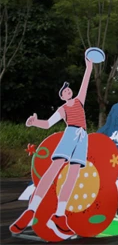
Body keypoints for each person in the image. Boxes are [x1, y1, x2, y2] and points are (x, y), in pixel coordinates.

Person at [10, 55, 93, 239]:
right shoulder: (63, 109)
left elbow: (85, 83)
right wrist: (34, 122)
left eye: (68, 89)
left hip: (82, 137)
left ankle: (59, 215)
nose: (68, 91)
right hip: (71, 133)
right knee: (54, 168)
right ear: (62, 96)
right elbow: (48, 124)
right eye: (64, 91)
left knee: (72, 175)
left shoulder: (79, 101)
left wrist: (89, 66)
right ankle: (31, 210)